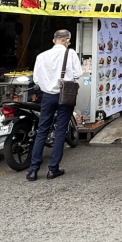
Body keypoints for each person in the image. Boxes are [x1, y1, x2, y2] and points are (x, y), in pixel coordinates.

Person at [27, 29, 82, 181]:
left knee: (42, 130)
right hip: (65, 96)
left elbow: (37, 79)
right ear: (68, 40)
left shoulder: (41, 56)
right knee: (60, 131)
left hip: (47, 96)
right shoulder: (70, 54)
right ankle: (53, 169)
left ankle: (33, 170)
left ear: (54, 40)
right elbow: (78, 74)